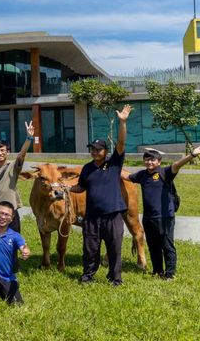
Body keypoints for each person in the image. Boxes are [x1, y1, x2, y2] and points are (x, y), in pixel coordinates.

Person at [67, 105, 132, 286]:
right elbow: (81, 187)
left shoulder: (114, 163)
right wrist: (67, 188)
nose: (94, 152)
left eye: (98, 149)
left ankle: (115, 278)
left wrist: (123, 122)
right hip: (92, 217)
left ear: (105, 151)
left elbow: (121, 143)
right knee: (90, 248)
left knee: (114, 249)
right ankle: (88, 276)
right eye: (92, 149)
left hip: (112, 214)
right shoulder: (87, 168)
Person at [127, 146, 200, 279]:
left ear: (159, 162)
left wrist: (192, 155)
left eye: (152, 160)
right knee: (153, 246)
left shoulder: (165, 172)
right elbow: (126, 176)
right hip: (148, 218)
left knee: (167, 245)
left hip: (165, 217)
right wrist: (111, 166)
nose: (149, 162)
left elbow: (177, 165)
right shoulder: (141, 175)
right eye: (147, 160)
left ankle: (170, 274)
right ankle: (158, 271)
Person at [0, 121, 35, 233]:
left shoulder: (13, 166)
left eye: (3, 150)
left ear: (8, 152)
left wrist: (29, 138)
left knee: (13, 241)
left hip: (12, 210)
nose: (0, 153)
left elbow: (22, 154)